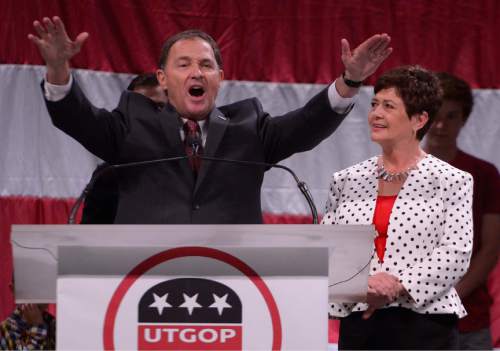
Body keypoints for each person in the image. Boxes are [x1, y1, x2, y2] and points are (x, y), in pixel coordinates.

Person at [29, 16, 392, 224]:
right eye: (183, 65)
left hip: (234, 282)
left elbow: (307, 124)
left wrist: (351, 81)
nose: (195, 73)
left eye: (206, 65)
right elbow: (77, 118)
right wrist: (58, 68)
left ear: (220, 77)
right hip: (144, 283)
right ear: (162, 78)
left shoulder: (250, 127)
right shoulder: (130, 125)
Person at [322, 66, 473, 349]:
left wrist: (396, 285)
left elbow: (456, 252)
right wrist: (363, 284)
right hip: (360, 323)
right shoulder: (345, 180)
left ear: (419, 119)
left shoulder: (452, 180)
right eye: (374, 104)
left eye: (388, 106)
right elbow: (329, 250)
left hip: (426, 325)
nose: (375, 114)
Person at [424, 72, 500, 350]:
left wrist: (452, 295)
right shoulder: (396, 172)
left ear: (464, 119)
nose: (441, 125)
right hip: (409, 318)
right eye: (435, 115)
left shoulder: (484, 174)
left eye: (452, 116)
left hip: (468, 317)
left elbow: (491, 248)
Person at [80, 72, 168, 224]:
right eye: (140, 108)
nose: (148, 116)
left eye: (158, 107)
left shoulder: (196, 165)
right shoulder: (107, 175)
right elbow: (91, 236)